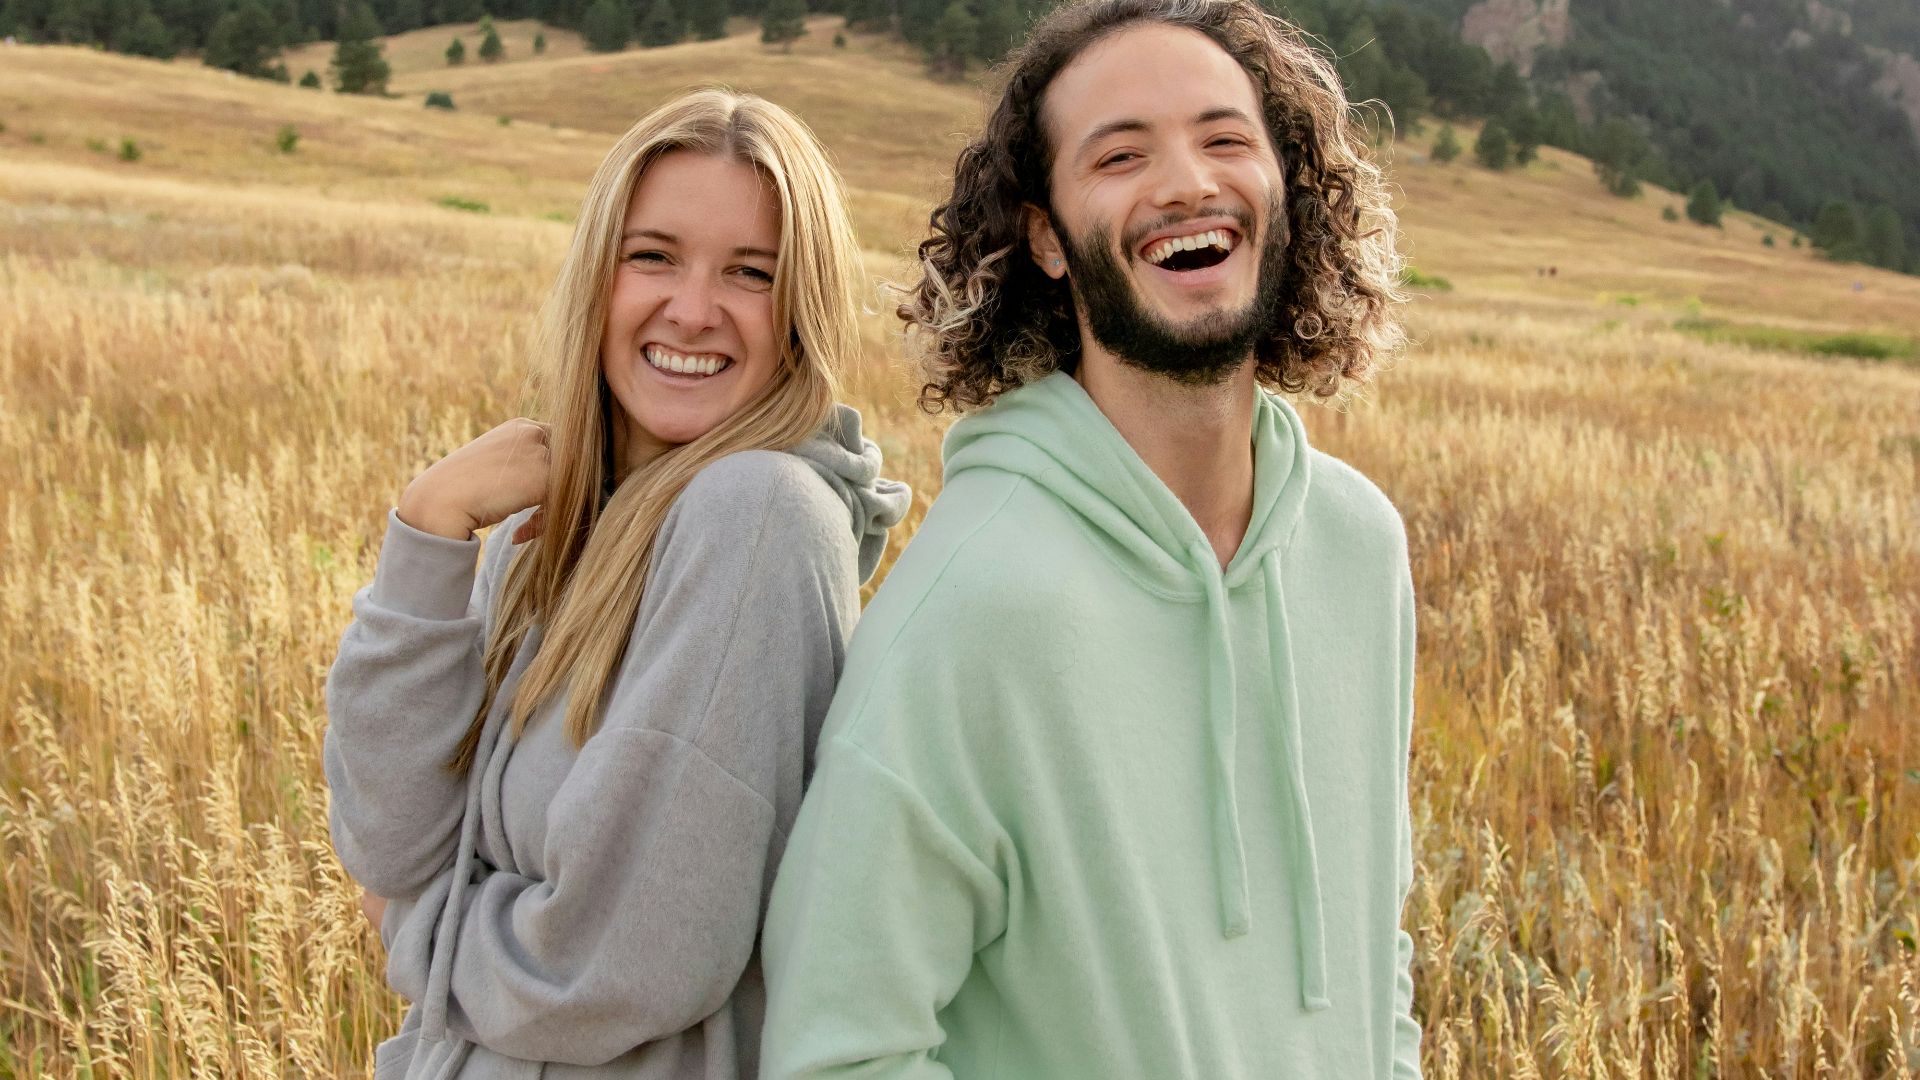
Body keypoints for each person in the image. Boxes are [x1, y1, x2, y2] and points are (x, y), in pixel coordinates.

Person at [759, 1, 1420, 1077]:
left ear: (1285, 187)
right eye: (1121, 155)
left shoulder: (1359, 546)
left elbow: (1371, 953)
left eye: (1224, 139)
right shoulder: (975, 601)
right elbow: (838, 1051)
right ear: (1046, 239)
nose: (1186, 183)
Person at [324, 88, 910, 1080]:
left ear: (800, 312)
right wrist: (428, 534)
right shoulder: (552, 528)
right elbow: (388, 848)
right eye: (654, 256)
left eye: (750, 274)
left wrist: (421, 936)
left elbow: (621, 966)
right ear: (598, 274)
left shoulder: (758, 518)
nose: (692, 308)